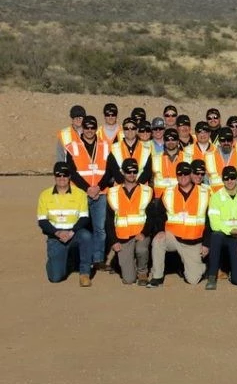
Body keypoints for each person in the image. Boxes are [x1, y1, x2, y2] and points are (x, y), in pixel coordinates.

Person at [151, 161, 211, 287]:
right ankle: (157, 277)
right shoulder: (168, 192)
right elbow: (159, 215)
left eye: (186, 173)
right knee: (158, 240)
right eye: (179, 174)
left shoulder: (205, 193)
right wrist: (161, 230)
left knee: (193, 280)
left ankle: (203, 267)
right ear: (176, 176)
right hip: (173, 237)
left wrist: (206, 243)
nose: (183, 176)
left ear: (191, 175)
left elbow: (209, 221)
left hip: (194, 242)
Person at [68, 115, 114, 272]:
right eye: (86, 127)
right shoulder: (73, 146)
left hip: (100, 194)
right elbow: (71, 172)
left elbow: (110, 170)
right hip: (81, 193)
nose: (89, 130)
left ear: (96, 129)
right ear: (83, 128)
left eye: (92, 127)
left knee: (100, 229)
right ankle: (77, 259)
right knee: (78, 227)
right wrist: (87, 188)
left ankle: (98, 259)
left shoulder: (106, 145)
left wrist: (98, 187)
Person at [37, 161, 92, 284]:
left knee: (86, 236)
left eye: (65, 174)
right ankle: (56, 259)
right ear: (54, 176)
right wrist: (57, 233)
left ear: (70, 176)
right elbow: (42, 221)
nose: (62, 178)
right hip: (56, 236)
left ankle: (84, 273)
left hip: (74, 234)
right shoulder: (45, 195)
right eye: (58, 175)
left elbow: (84, 218)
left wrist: (71, 232)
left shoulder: (80, 194)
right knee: (55, 278)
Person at [106, 157, 153, 285]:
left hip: (140, 234)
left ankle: (142, 272)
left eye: (134, 171)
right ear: (122, 172)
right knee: (129, 279)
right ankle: (127, 264)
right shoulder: (112, 193)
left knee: (141, 250)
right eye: (128, 172)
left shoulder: (147, 191)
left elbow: (151, 217)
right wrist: (114, 241)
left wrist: (144, 232)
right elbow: (109, 221)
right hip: (122, 237)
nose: (132, 175)